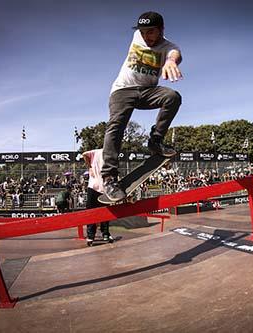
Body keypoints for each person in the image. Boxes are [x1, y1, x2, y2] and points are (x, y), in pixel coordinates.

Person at [101, 11, 183, 202]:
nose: (147, 36)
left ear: (161, 30)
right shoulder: (138, 35)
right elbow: (143, 31)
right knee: (116, 125)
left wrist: (171, 61)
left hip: (147, 92)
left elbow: (174, 54)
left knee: (172, 96)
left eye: (151, 32)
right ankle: (110, 178)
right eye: (143, 32)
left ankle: (155, 141)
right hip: (123, 90)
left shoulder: (169, 47)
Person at [83, 149, 114, 244]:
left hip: (104, 187)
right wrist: (90, 167)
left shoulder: (111, 154)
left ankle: (105, 233)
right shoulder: (97, 152)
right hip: (93, 187)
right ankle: (90, 235)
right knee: (91, 211)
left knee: (106, 212)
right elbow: (84, 154)